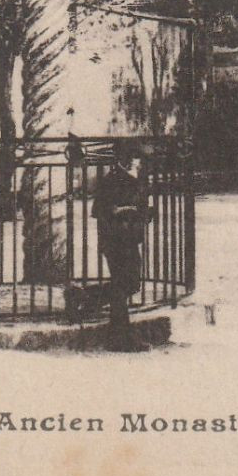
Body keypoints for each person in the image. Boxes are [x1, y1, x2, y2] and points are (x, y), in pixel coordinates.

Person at [93, 140, 153, 352]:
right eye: (133, 156)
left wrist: (143, 212)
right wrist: (119, 210)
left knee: (132, 283)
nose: (137, 161)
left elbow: (143, 208)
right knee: (121, 286)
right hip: (115, 240)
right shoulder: (111, 180)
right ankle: (121, 338)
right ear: (122, 159)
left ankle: (86, 297)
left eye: (137, 157)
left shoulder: (137, 179)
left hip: (130, 238)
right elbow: (99, 210)